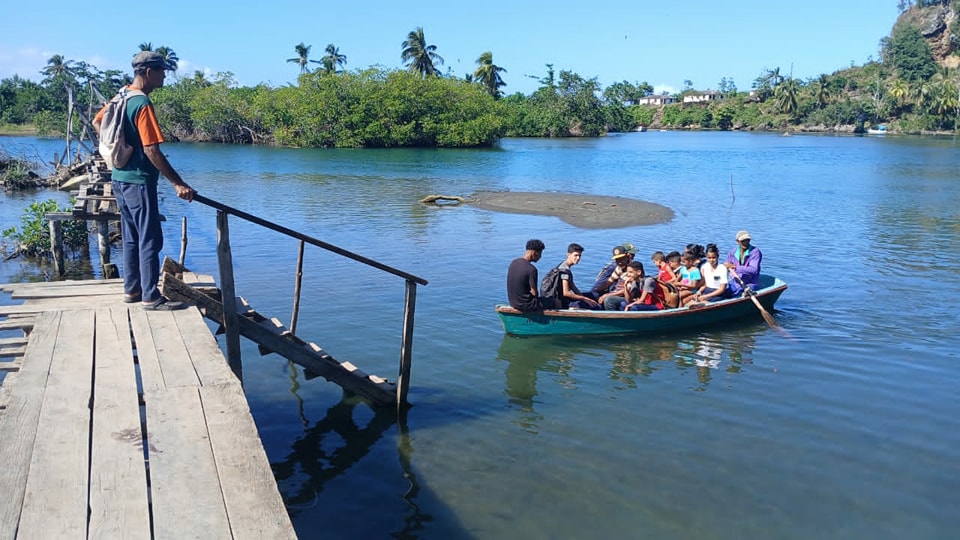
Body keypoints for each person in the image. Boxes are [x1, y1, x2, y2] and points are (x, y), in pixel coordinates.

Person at [94, 51, 196, 310]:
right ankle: (151, 296)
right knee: (150, 238)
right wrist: (178, 183)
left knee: (131, 237)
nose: (164, 76)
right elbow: (152, 150)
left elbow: (97, 121)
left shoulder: (121, 96)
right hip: (139, 182)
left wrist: (119, 147)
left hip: (120, 180)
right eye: (162, 71)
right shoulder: (141, 104)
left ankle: (133, 290)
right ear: (149, 73)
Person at [506, 239, 548, 312]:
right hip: (527, 305)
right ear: (534, 253)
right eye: (540, 253)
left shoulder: (513, 263)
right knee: (556, 302)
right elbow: (534, 293)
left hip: (513, 302)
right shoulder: (532, 269)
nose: (540, 257)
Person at [556, 243, 601, 309]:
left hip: (568, 298)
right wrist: (584, 299)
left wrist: (582, 296)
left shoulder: (566, 266)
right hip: (564, 302)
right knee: (597, 307)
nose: (578, 258)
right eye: (575, 255)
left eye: (579, 255)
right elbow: (566, 293)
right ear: (568, 255)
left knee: (596, 295)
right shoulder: (564, 270)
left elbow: (572, 286)